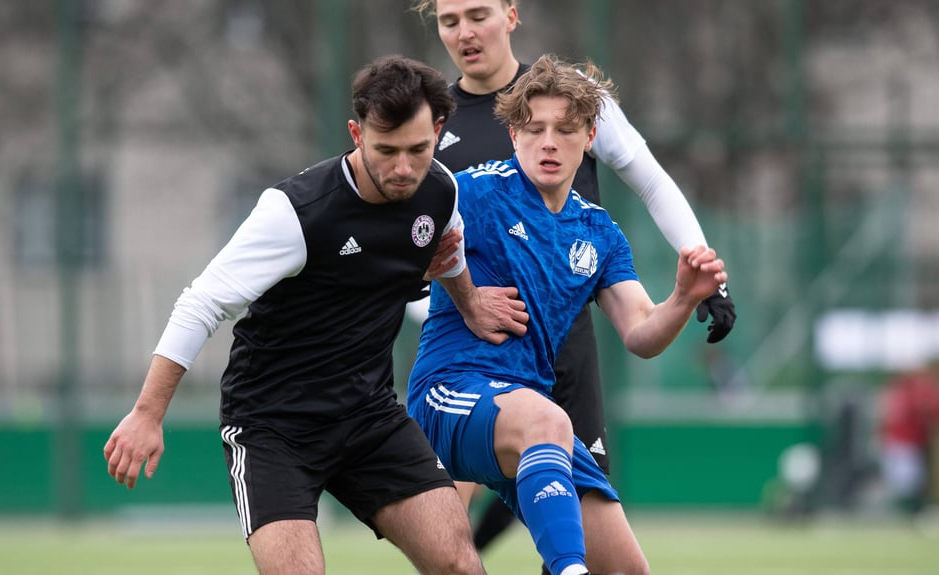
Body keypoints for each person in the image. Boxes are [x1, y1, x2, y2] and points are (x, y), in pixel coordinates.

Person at [102, 55, 531, 575]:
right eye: (386, 150)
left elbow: (447, 243)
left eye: (417, 149)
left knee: (461, 564)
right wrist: (147, 414)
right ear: (356, 133)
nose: (403, 168)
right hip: (272, 427)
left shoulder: (440, 188)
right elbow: (202, 302)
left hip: (368, 416)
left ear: (438, 131)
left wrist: (469, 300)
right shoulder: (296, 212)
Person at [408, 0, 737, 554]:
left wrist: (701, 277)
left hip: (564, 347)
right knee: (448, 533)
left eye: (479, 14)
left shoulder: (572, 96)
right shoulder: (434, 124)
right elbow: (407, 239)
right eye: (449, 20)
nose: (465, 32)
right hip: (473, 359)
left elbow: (651, 181)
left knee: (587, 530)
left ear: (512, 14)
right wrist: (460, 299)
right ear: (514, 134)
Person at [879, 359, 939, 515]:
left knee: (911, 479)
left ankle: (911, 511)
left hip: (911, 442)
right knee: (901, 480)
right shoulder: (897, 391)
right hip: (898, 441)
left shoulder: (920, 390)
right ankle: (904, 512)